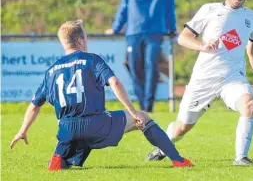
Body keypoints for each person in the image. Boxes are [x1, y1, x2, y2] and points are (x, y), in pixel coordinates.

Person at [10, 20, 192, 171]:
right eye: (86, 37)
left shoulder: (51, 71)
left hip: (67, 130)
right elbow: (115, 82)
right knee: (144, 118)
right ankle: (178, 160)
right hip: (96, 125)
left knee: (72, 133)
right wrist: (134, 112)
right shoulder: (92, 59)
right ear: (80, 40)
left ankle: (60, 156)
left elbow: (34, 105)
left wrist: (22, 131)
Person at [146, 0, 253, 165]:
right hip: (204, 79)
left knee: (249, 104)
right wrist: (203, 46)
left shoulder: (252, 17)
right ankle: (163, 146)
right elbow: (183, 38)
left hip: (233, 78)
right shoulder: (209, 10)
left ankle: (241, 157)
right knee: (182, 128)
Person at [105, 0, 176, 112]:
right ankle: (141, 103)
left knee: (151, 66)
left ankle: (148, 107)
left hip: (155, 32)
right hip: (134, 32)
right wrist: (116, 28)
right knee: (135, 68)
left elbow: (169, 5)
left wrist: (172, 27)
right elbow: (123, 6)